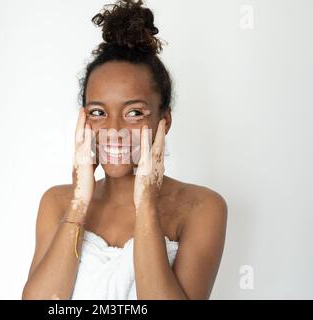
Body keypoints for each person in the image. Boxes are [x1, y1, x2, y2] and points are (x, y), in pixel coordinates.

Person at [22, 0, 227, 300]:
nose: (114, 131)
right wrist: (79, 202)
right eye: (98, 113)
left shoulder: (201, 208)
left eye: (134, 113)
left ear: (164, 120)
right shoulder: (57, 203)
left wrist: (146, 203)